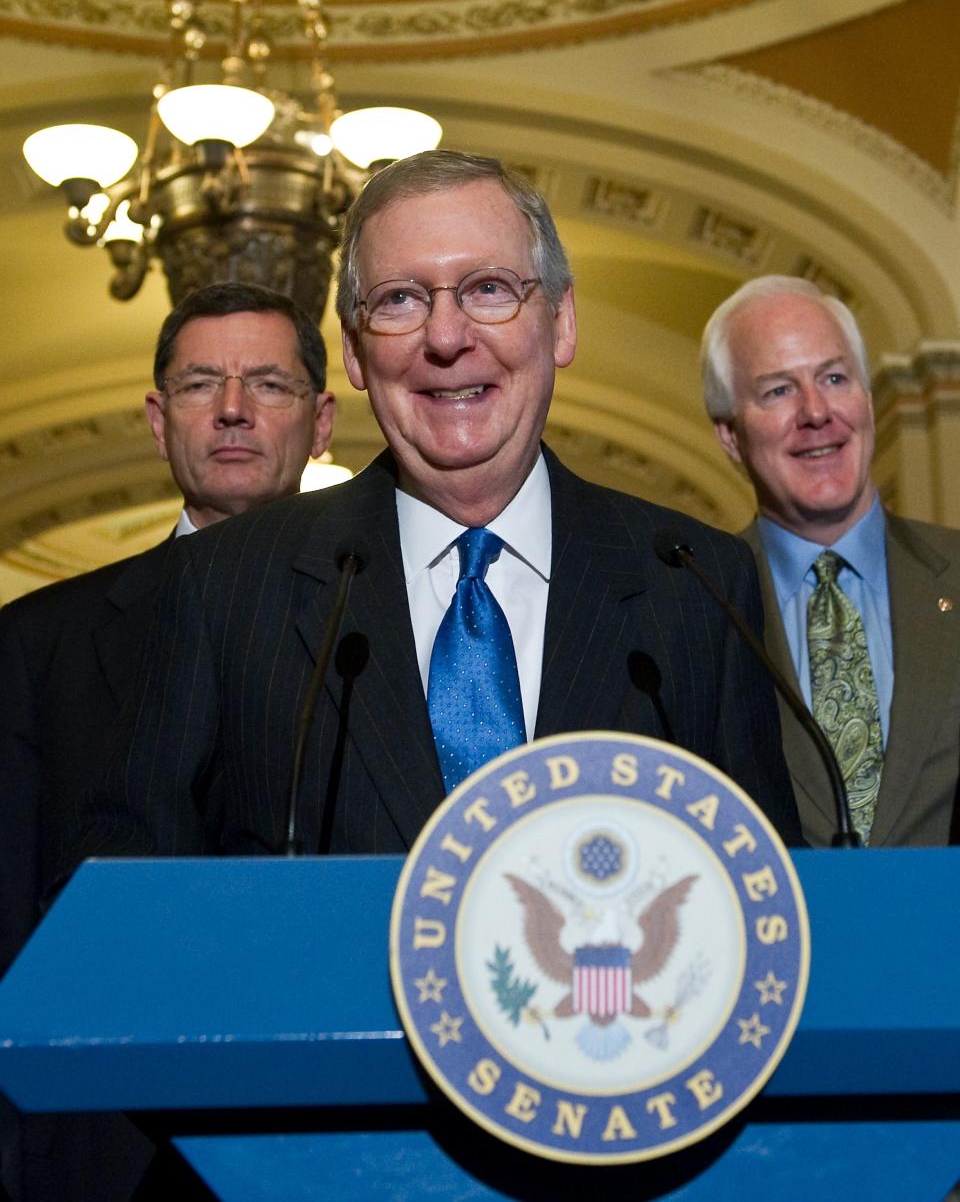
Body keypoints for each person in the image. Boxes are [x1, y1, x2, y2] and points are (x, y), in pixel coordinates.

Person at [70, 150, 800, 872]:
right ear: (355, 352)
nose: (446, 339)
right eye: (400, 300)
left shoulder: (695, 585)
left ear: (561, 321)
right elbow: (132, 910)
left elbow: (766, 892)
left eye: (487, 288)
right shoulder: (223, 587)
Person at [0, 281, 334, 1202]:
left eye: (268, 383)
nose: (232, 408)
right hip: (109, 1150)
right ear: (158, 419)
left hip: (340, 1134)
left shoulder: (399, 626)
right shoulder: (38, 644)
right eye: (199, 385)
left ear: (323, 421)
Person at [701, 274, 960, 846]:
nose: (816, 413)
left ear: (867, 399)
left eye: (835, 378)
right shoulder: (695, 607)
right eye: (778, 391)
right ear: (730, 437)